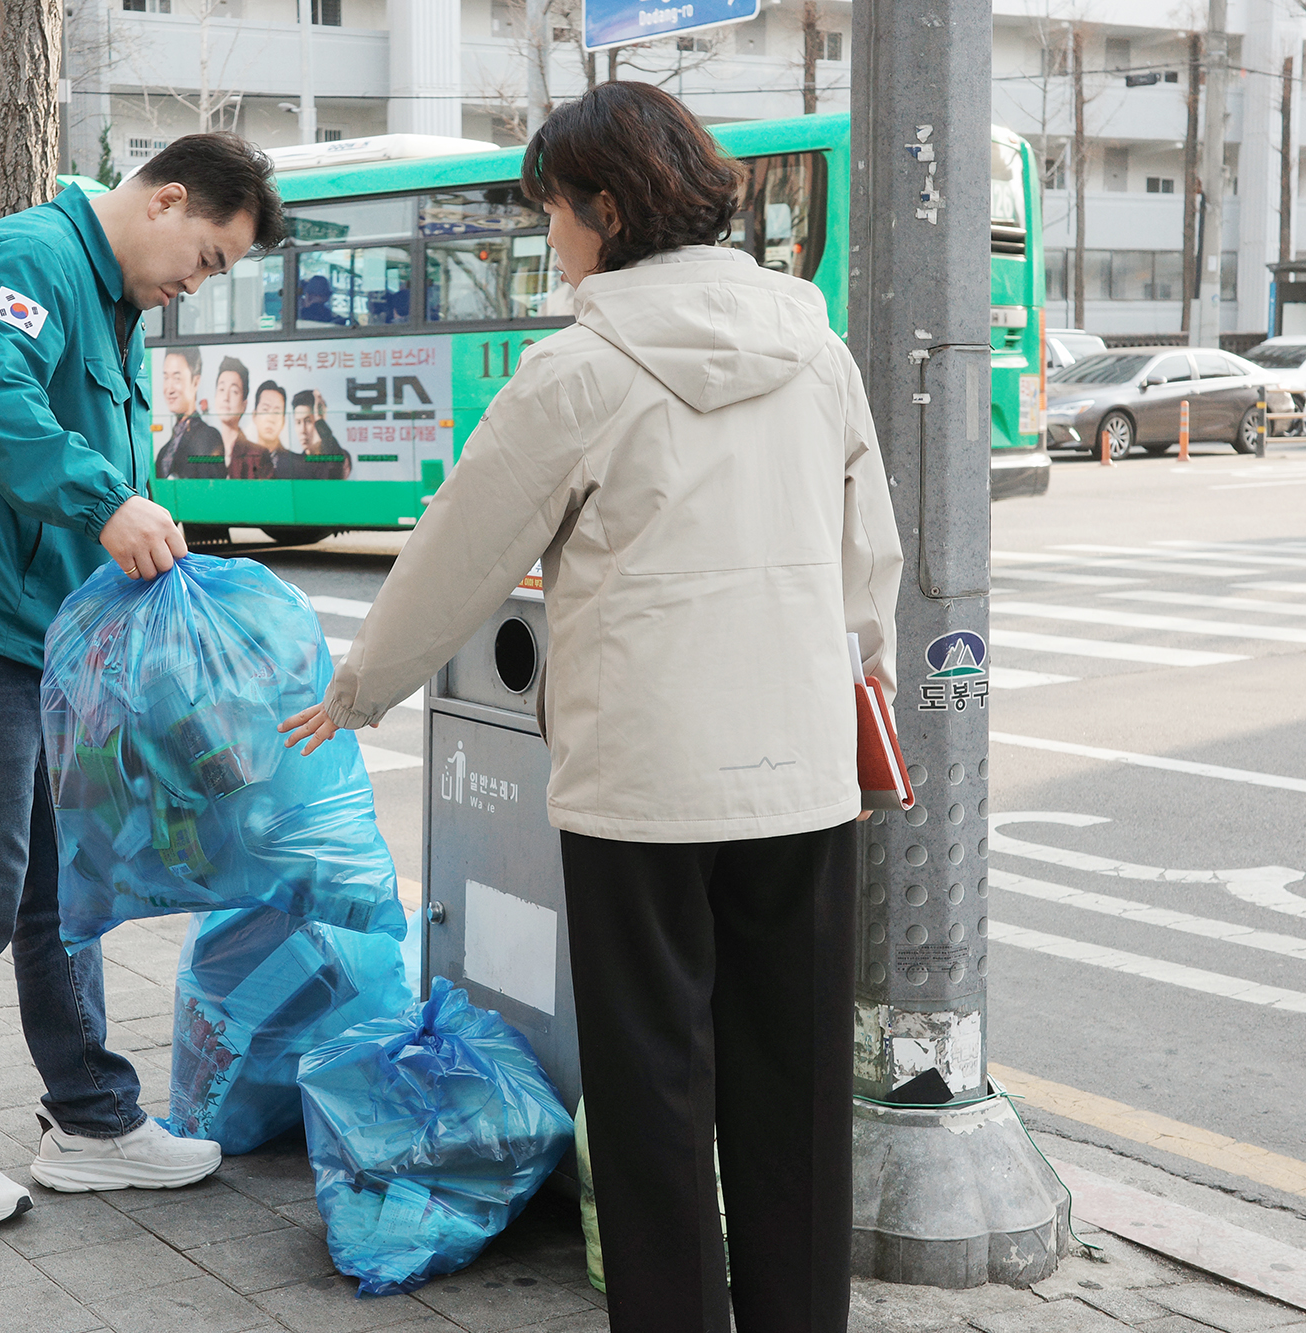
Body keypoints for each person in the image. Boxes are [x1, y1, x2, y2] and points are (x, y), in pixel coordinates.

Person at [279, 82, 902, 1333]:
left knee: (650, 1094)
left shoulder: (577, 371)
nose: (545, 240)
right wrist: (856, 665)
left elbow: (460, 546)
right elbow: (864, 558)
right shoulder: (815, 348)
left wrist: (361, 687)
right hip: (796, 777)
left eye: (550, 215)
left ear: (605, 211)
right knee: (793, 1087)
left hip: (642, 788)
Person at [0, 133, 286, 1229]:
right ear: (168, 199)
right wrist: (104, 498)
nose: (200, 280)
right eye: (207, 253)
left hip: (43, 642)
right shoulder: (29, 258)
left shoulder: (108, 299)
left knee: (66, 894)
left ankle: (92, 1119)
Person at [155, 345, 226, 478]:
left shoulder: (208, 436)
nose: (169, 389)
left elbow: (210, 488)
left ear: (195, 381)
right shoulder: (164, 450)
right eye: (166, 378)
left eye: (177, 378)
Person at [211, 356, 273, 478]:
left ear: (244, 404)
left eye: (234, 391)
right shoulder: (206, 451)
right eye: (221, 389)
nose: (226, 397)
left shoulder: (258, 455)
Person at [278, 388, 353, 479]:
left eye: (308, 421)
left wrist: (320, 421)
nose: (302, 430)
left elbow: (336, 471)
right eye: (298, 422)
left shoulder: (339, 457)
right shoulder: (294, 464)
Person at [244, 379, 290, 478]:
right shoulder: (241, 463)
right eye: (265, 410)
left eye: (277, 412)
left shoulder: (297, 464)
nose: (270, 419)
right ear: (254, 416)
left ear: (283, 421)